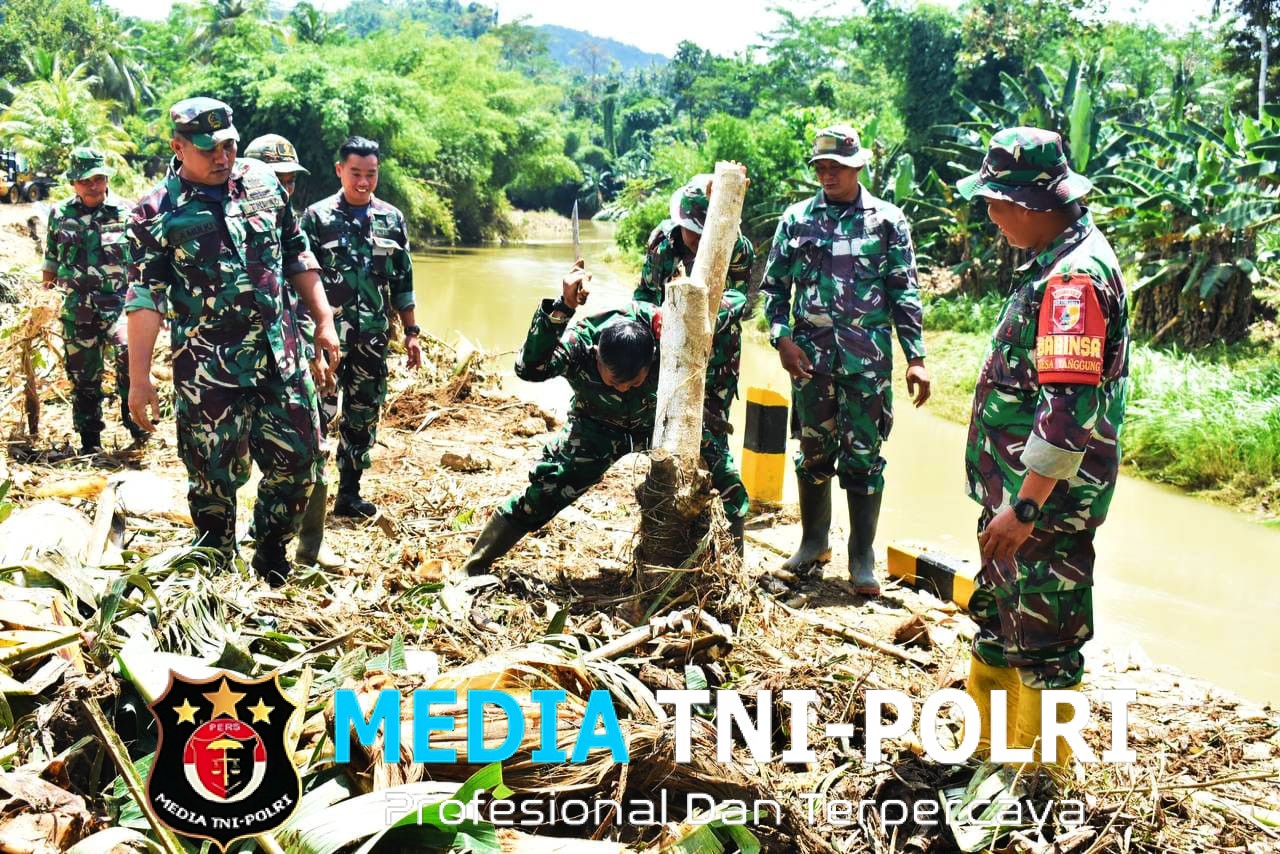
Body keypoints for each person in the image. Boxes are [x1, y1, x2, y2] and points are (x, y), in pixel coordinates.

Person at [956, 127, 1130, 766]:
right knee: (1003, 625)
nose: (992, 215)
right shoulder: (1055, 261)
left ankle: (1039, 780)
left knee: (1048, 646)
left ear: (1029, 203)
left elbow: (1067, 412)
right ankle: (992, 758)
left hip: (1044, 509)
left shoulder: (1071, 282)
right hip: (1017, 498)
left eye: (996, 203)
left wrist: (1025, 508)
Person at [125, 97, 340, 586]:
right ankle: (218, 567)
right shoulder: (155, 211)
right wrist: (139, 380)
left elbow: (296, 253)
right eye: (208, 149)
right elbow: (145, 300)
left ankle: (268, 551)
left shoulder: (262, 183)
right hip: (209, 372)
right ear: (178, 147)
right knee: (213, 481)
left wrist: (323, 319)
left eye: (229, 144)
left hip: (281, 358)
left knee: (302, 462)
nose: (223, 156)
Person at [461, 261, 747, 576]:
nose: (623, 388)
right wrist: (562, 308)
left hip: (660, 422)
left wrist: (690, 308)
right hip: (597, 426)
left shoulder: (665, 331)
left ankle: (731, 575)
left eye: (633, 382)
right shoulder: (581, 343)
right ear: (597, 355)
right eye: (614, 382)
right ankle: (474, 565)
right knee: (546, 490)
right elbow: (529, 369)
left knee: (727, 481)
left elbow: (735, 301)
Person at [760, 124, 931, 595]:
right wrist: (781, 339)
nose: (827, 175)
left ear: (858, 167)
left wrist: (915, 356)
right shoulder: (796, 220)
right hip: (810, 363)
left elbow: (905, 291)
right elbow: (773, 289)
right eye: (821, 167)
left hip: (867, 366)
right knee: (813, 455)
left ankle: (861, 557)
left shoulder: (888, 221)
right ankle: (813, 544)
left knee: (864, 458)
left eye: (836, 167)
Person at [633, 173, 756, 546]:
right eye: (690, 232)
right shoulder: (662, 242)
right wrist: (654, 314)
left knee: (712, 439)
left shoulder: (737, 246)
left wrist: (707, 315)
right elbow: (642, 293)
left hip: (716, 358)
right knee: (668, 437)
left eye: (704, 233)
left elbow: (740, 298)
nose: (696, 241)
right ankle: (669, 527)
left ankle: (729, 536)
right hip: (667, 357)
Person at [240, 133, 343, 570]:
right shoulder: (231, 223)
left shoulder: (292, 223)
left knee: (313, 448)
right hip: (244, 364)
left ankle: (308, 547)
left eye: (290, 180)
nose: (284, 188)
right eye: (276, 179)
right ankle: (255, 536)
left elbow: (304, 295)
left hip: (297, 357)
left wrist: (317, 349)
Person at [301, 136, 418, 519]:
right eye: (355, 174)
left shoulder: (391, 218)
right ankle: (308, 493)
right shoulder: (315, 218)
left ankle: (348, 495)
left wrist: (412, 332)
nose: (363, 182)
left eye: (371, 174)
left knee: (363, 413)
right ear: (339, 171)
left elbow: (403, 282)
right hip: (328, 339)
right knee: (316, 411)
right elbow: (302, 277)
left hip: (372, 339)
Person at [42, 147, 144, 454]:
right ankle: (90, 441)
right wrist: (43, 302)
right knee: (84, 379)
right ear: (74, 182)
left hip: (120, 309)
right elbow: (50, 260)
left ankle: (137, 428)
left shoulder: (127, 212)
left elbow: (142, 261)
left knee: (130, 360)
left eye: (99, 178)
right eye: (86, 180)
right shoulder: (59, 214)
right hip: (77, 312)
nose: (94, 185)